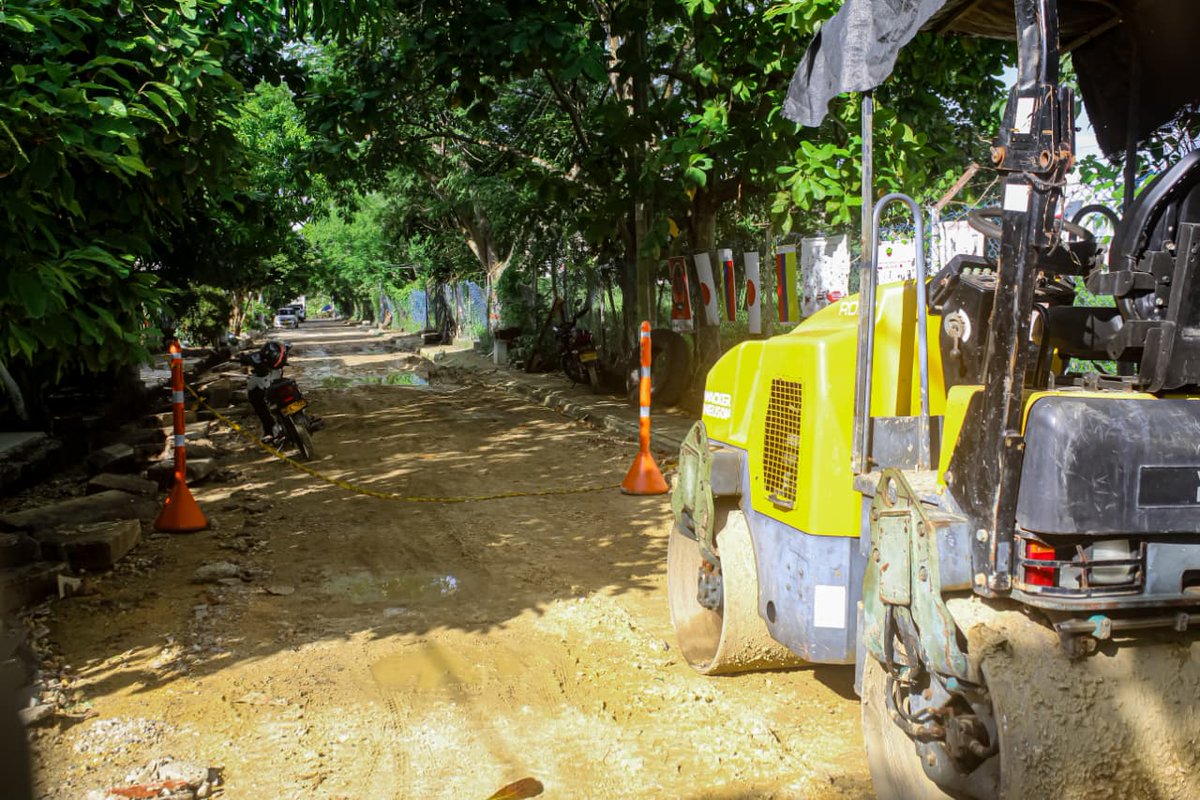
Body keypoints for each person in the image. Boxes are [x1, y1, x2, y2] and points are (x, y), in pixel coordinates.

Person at [239, 341, 289, 443]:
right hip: (273, 381)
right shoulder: (271, 361)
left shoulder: (265, 358)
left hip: (270, 383)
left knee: (258, 402)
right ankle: (271, 430)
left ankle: (270, 430)